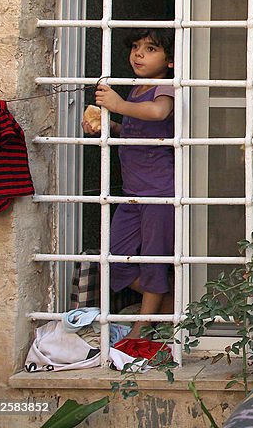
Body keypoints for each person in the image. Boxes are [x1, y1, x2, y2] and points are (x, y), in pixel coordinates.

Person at [83, 28, 176, 339]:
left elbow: (159, 112)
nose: (138, 54)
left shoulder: (166, 87)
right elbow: (140, 129)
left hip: (160, 192)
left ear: (171, 61)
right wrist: (110, 125)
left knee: (153, 260)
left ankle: (139, 331)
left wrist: (118, 105)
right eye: (136, 47)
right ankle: (166, 303)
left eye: (150, 49)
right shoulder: (137, 89)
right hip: (132, 192)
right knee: (117, 260)